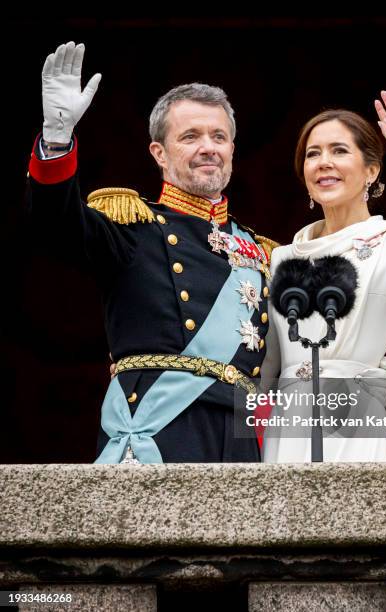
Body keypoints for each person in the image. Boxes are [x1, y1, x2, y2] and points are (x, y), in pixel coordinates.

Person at [26, 41, 277, 464]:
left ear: (233, 149)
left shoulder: (261, 251)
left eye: (219, 136)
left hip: (240, 437)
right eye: (191, 136)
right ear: (159, 153)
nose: (208, 147)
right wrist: (56, 139)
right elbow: (57, 224)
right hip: (163, 429)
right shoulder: (133, 226)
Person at [260, 91, 386, 462]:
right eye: (313, 153)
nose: (324, 163)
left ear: (371, 171)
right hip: (285, 432)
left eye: (339, 151)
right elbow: (266, 365)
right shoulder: (281, 258)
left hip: (355, 429)